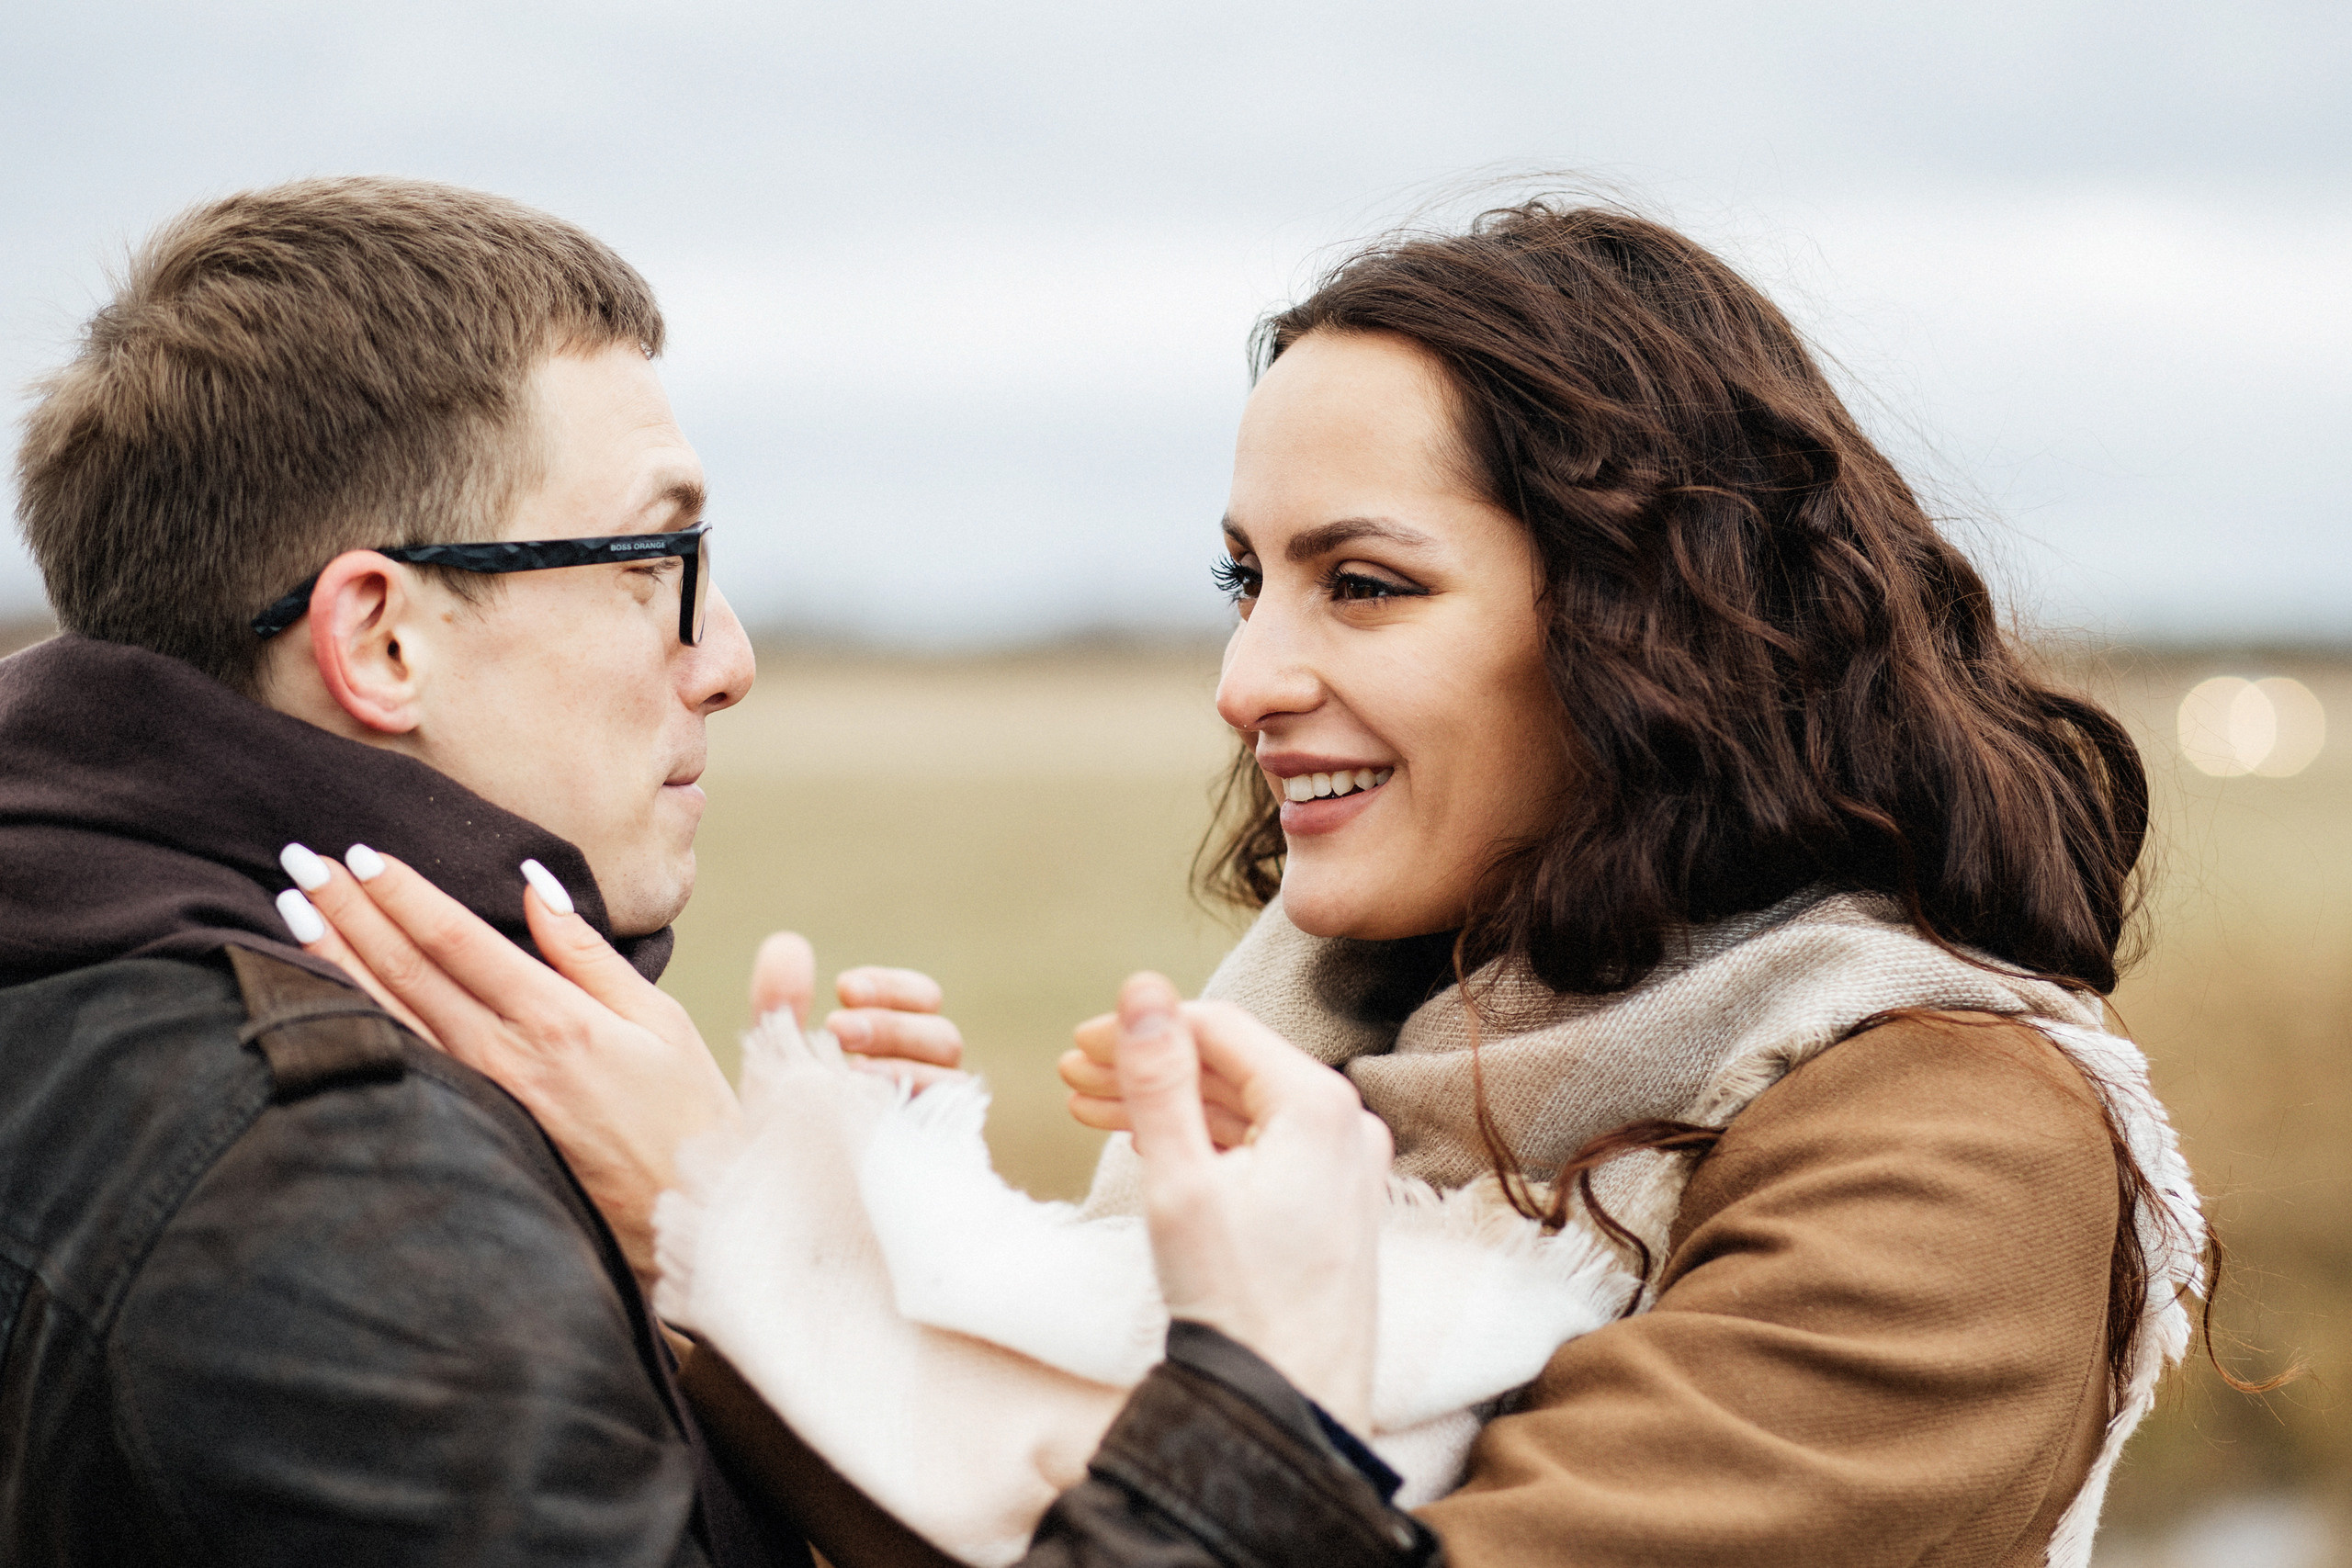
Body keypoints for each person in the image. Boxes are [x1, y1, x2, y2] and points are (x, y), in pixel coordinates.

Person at [299, 198, 2216, 1568]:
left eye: (1358, 581)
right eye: (1245, 578)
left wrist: (734, 1207)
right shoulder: (1332, 1041)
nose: (1246, 676)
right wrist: (894, 1230)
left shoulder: (1949, 1132)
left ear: (1653, 622)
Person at [0, 173, 1412, 1568]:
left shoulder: (106, 973)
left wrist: (831, 1266)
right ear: (381, 640)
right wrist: (1268, 1421)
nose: (726, 659)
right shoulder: (335, 1187)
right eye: (653, 558)